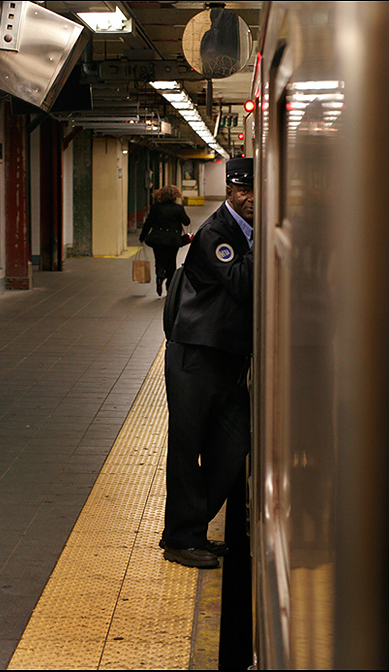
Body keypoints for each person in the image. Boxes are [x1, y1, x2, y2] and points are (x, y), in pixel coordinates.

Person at [161, 157, 254, 568]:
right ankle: (180, 538)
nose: (251, 199)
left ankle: (194, 526)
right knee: (187, 446)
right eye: (243, 191)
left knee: (234, 446)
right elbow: (242, 283)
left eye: (256, 191)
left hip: (227, 358)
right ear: (230, 193)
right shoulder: (217, 232)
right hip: (195, 356)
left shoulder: (240, 231)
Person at [139, 185, 191, 296]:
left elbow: (148, 223)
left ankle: (160, 276)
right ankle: (170, 287)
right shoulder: (178, 208)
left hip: (157, 239)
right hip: (173, 240)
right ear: (175, 196)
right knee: (171, 262)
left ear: (160, 195)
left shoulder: (156, 208)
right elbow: (186, 222)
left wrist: (142, 237)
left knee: (159, 259)